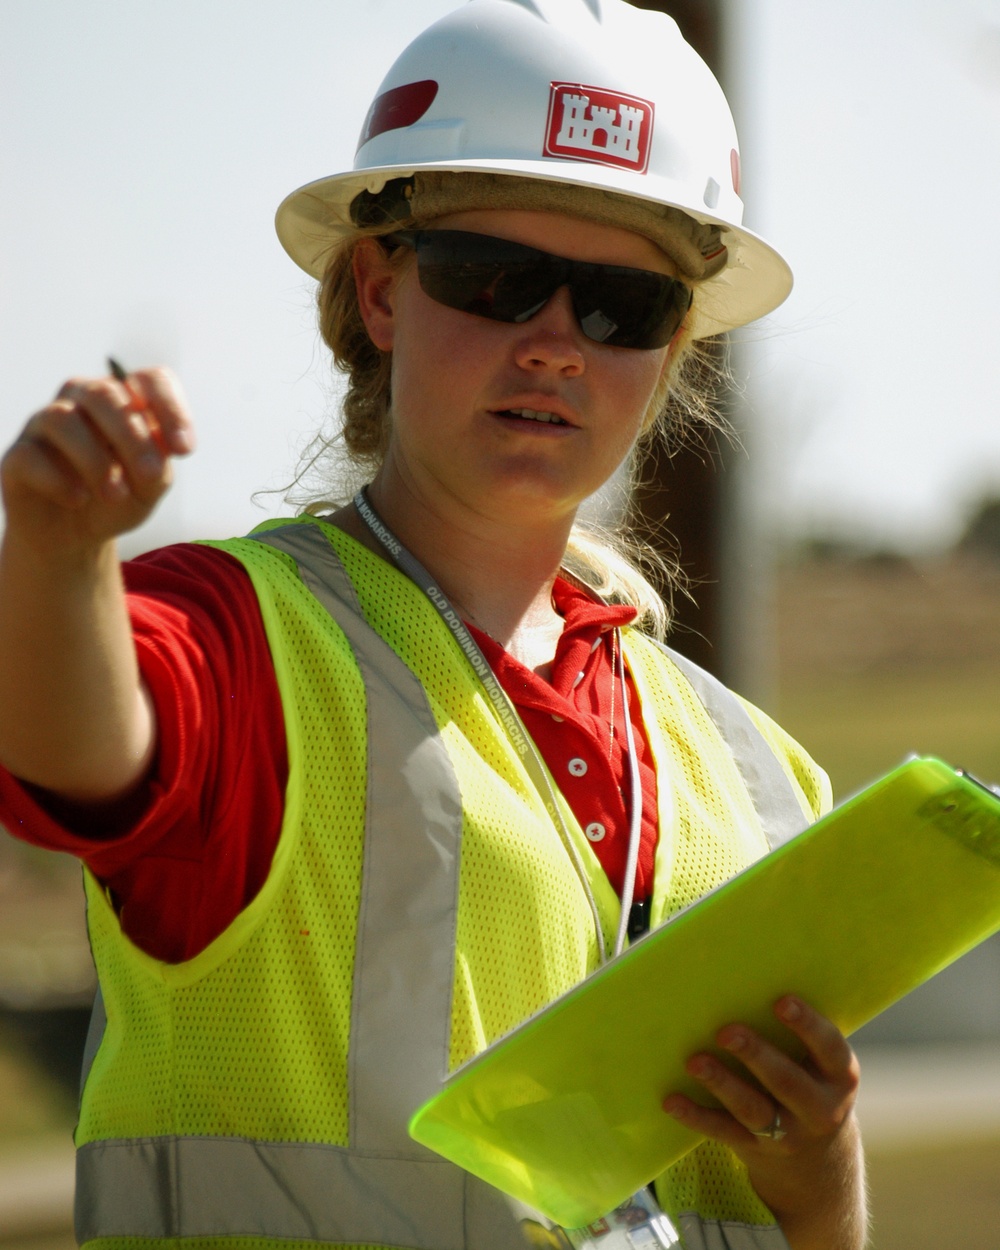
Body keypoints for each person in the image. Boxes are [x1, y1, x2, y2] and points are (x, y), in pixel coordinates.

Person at [0, 2, 866, 1248]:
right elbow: (77, 751)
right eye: (497, 280)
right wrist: (58, 551)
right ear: (382, 287)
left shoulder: (762, 777)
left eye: (623, 304)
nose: (557, 343)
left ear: (675, 344)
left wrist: (821, 1179)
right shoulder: (248, 637)